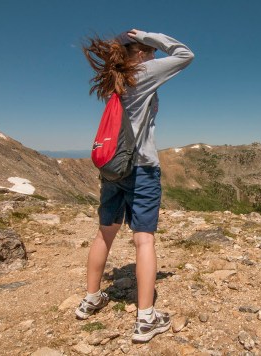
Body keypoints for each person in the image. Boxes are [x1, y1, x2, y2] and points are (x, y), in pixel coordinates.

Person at [76, 28, 194, 343]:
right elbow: (185, 55)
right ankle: (145, 318)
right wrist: (151, 35)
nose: (156, 56)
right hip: (141, 167)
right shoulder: (143, 71)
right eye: (150, 50)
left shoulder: (118, 78)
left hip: (113, 167)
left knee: (105, 232)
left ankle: (91, 299)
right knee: (144, 240)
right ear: (140, 52)